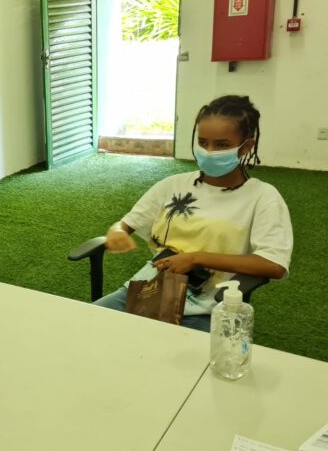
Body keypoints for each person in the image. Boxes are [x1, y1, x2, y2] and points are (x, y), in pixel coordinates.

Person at [93, 95, 293, 332]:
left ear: (246, 147)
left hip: (209, 308)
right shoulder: (174, 185)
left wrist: (197, 258)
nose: (209, 152)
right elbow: (126, 223)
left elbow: (274, 264)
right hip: (148, 290)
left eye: (221, 145)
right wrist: (117, 231)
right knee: (84, 325)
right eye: (203, 142)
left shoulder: (263, 197)